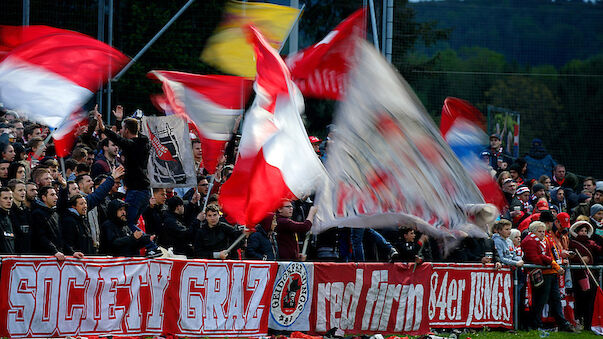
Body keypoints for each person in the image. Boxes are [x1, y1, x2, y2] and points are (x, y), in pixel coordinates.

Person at [95, 112, 151, 233]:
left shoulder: (131, 145)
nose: (120, 131)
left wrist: (103, 127)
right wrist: (122, 122)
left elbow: (119, 139)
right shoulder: (144, 141)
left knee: (126, 222)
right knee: (131, 223)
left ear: (126, 131)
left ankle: (150, 245)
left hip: (136, 190)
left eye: (122, 129)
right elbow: (129, 135)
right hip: (145, 191)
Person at [522, 221, 575, 332]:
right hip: (542, 273)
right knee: (541, 300)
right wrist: (552, 263)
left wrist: (553, 262)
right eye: (539, 231)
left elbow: (546, 255)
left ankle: (562, 323)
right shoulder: (529, 241)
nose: (542, 233)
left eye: (543, 231)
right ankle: (536, 324)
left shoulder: (545, 239)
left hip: (551, 272)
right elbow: (536, 258)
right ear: (533, 231)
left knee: (555, 299)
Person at [31, 186, 83, 260]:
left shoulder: (55, 214)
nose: (56, 197)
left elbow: (60, 238)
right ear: (44, 198)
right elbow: (41, 236)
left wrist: (72, 252)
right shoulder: (37, 214)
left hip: (57, 257)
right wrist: (54, 251)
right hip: (44, 259)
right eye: (52, 195)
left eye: (56, 194)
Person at [569, 220, 602, 331]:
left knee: (590, 299)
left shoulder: (591, 243)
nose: (583, 233)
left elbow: (600, 251)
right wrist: (579, 259)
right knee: (579, 299)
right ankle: (578, 321)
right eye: (581, 231)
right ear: (577, 232)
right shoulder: (572, 243)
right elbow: (570, 256)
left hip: (591, 275)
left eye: (585, 231)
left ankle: (588, 324)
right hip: (578, 275)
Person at [8, 179, 31, 254]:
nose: (23, 193)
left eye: (24, 190)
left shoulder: (27, 210)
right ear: (12, 192)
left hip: (27, 252)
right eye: (20, 190)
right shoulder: (8, 212)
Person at [0, 187, 15, 254]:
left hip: (10, 259)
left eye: (10, 198)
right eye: (5, 198)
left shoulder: (11, 217)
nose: (9, 201)